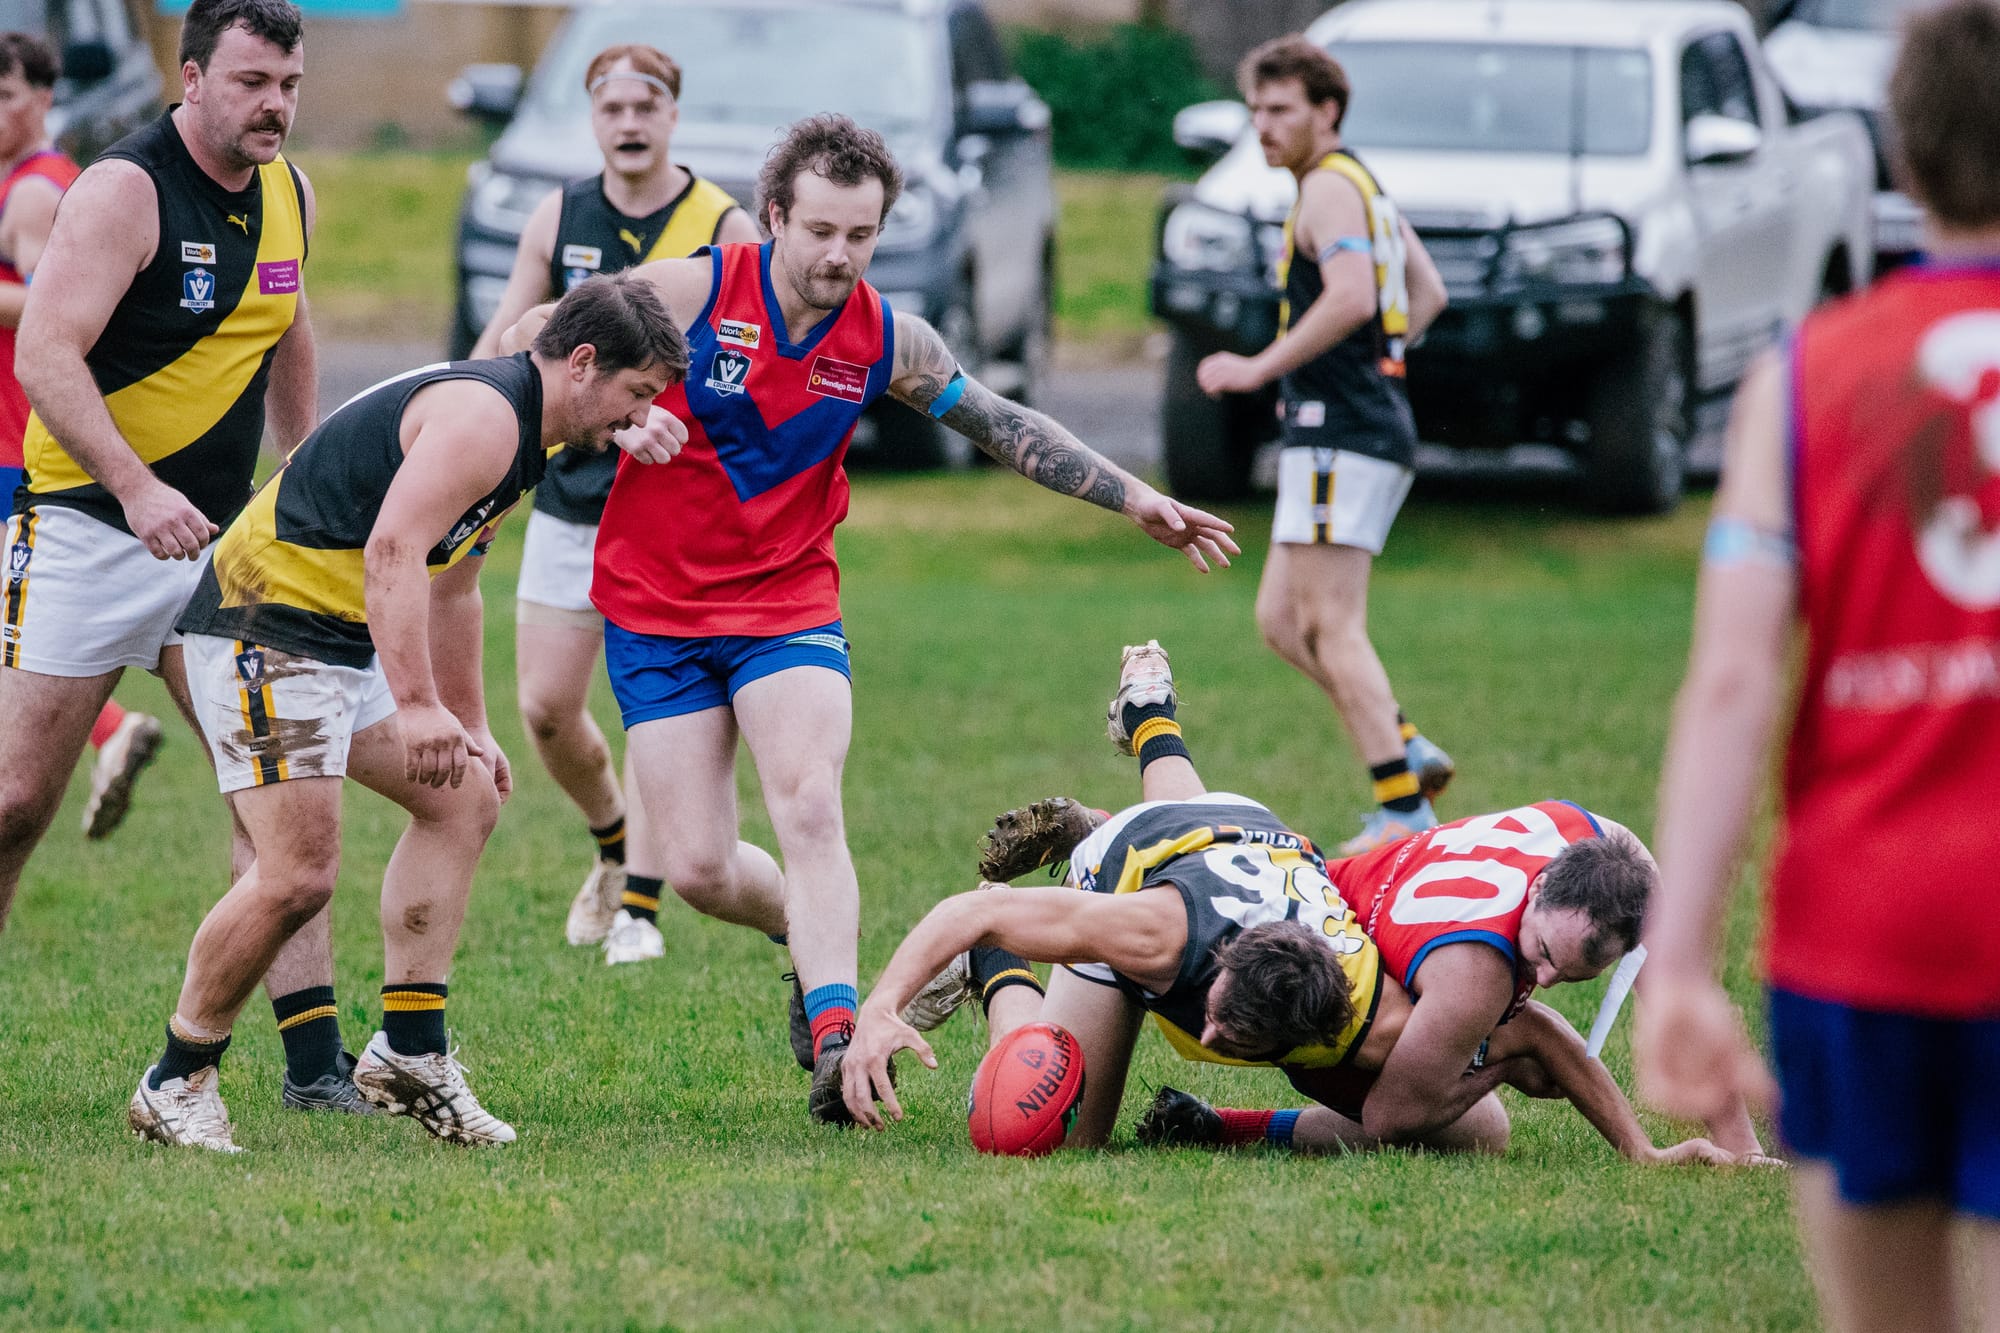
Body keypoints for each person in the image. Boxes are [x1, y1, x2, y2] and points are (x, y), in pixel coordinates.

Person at [504, 113, 1238, 1125]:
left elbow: (1005, 425)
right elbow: (532, 341)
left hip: (787, 603)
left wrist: (1132, 497)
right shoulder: (693, 290)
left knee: (807, 802)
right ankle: (794, 942)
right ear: (773, 219)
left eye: (861, 235)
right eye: (819, 231)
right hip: (656, 614)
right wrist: (627, 418)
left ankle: (837, 1033)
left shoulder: (886, 337)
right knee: (698, 870)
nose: (839, 255)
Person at [127, 274, 688, 1152]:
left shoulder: (526, 434)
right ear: (583, 364)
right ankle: (176, 1078)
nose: (639, 417)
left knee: (463, 795)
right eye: (637, 394)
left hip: (337, 637)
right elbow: (393, 548)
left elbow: (453, 587)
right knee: (297, 872)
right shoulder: (488, 420)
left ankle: (410, 1052)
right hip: (265, 624)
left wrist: (466, 722)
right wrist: (417, 703)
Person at [1639, 3, 2000, 1326]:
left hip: (1867, 932)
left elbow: (1732, 683)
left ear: (1902, 157)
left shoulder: (1801, 378)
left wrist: (1677, 966)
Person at [842, 642, 1740, 1167]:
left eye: (1235, 1043)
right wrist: (880, 1008)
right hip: (1154, 869)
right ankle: (1004, 967)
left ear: (1305, 1041)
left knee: (1480, 1130)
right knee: (1054, 1130)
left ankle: (1153, 717)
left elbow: (1536, 1035)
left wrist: (1647, 1156)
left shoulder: (1376, 1010)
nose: (1216, 1040)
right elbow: (962, 906)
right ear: (1218, 976)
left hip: (1253, 838)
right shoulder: (1155, 940)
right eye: (1218, 1024)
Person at [0, 0, 360, 1112]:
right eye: (252, 83)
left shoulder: (291, 191)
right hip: (83, 529)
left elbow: (288, 327)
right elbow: (43, 351)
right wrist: (136, 486)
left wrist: (300, 473)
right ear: (192, 76)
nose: (274, 107)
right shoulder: (125, 190)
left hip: (219, 551)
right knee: (15, 801)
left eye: (290, 87)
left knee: (276, 799)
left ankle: (313, 1066)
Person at [468, 42, 759, 963]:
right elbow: (511, 333)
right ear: (592, 120)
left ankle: (640, 904)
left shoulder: (724, 222)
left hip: (676, 507)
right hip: (571, 492)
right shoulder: (560, 213)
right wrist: (456, 411)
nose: (629, 124)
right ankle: (611, 837)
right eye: (612, 109)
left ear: (673, 115)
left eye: (647, 107)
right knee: (549, 707)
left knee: (648, 698)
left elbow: (750, 369)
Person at [1193, 36, 1452, 854]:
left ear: (1326, 111)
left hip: (1341, 434)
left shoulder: (1328, 193)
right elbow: (1428, 292)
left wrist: (1260, 367)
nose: (1263, 127)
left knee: (1333, 626)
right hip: (1346, 428)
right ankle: (1405, 741)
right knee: (1280, 619)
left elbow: (1346, 297)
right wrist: (1384, 360)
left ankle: (1404, 807)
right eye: (1255, 112)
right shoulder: (1354, 185)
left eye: (1280, 111)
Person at [0, 31, 165, 841]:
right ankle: (114, 732)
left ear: (42, 100)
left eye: (5, 96)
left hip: (17, 444)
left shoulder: (35, 193)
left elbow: (50, 314)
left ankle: (111, 731)